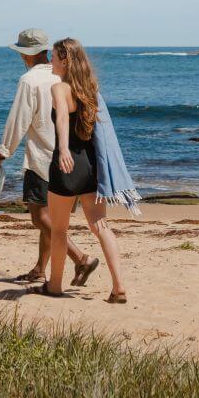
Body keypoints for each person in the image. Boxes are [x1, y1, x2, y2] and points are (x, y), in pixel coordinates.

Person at [0, 28, 98, 286]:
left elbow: (18, 121)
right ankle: (40, 269)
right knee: (54, 217)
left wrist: (1, 154)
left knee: (40, 217)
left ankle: (80, 258)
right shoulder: (65, 76)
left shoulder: (29, 81)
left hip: (42, 160)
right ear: (46, 51)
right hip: (72, 159)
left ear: (25, 55)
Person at [30, 38, 128, 302]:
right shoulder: (90, 89)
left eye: (53, 57)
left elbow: (62, 117)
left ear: (65, 60)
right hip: (91, 166)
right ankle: (118, 288)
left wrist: (62, 150)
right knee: (101, 226)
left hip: (68, 165)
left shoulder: (59, 88)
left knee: (59, 230)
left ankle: (55, 286)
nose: (50, 61)